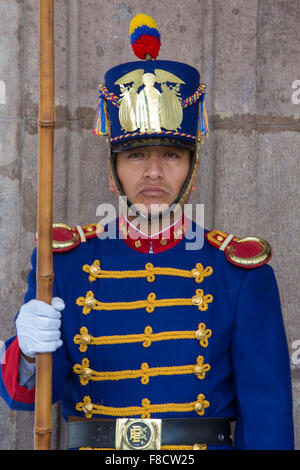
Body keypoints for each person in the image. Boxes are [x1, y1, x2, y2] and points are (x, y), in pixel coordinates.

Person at [0, 13, 294, 451]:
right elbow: (27, 398)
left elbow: (268, 419)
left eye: (172, 155)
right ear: (113, 166)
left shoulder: (239, 272)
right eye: (136, 155)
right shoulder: (62, 262)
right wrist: (24, 352)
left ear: (192, 167)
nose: (153, 172)